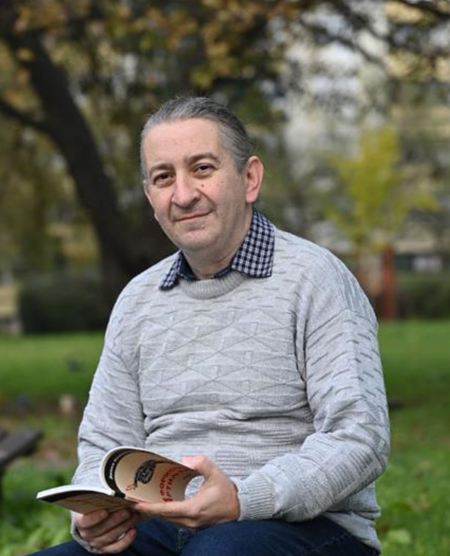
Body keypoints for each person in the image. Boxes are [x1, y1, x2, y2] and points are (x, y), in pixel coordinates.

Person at [33, 97, 390, 555]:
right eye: (164, 177)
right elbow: (106, 439)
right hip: (160, 527)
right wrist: (93, 513)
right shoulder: (138, 300)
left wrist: (243, 499)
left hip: (306, 527)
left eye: (202, 169)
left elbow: (360, 438)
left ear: (249, 179)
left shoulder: (315, 279)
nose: (183, 195)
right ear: (150, 197)